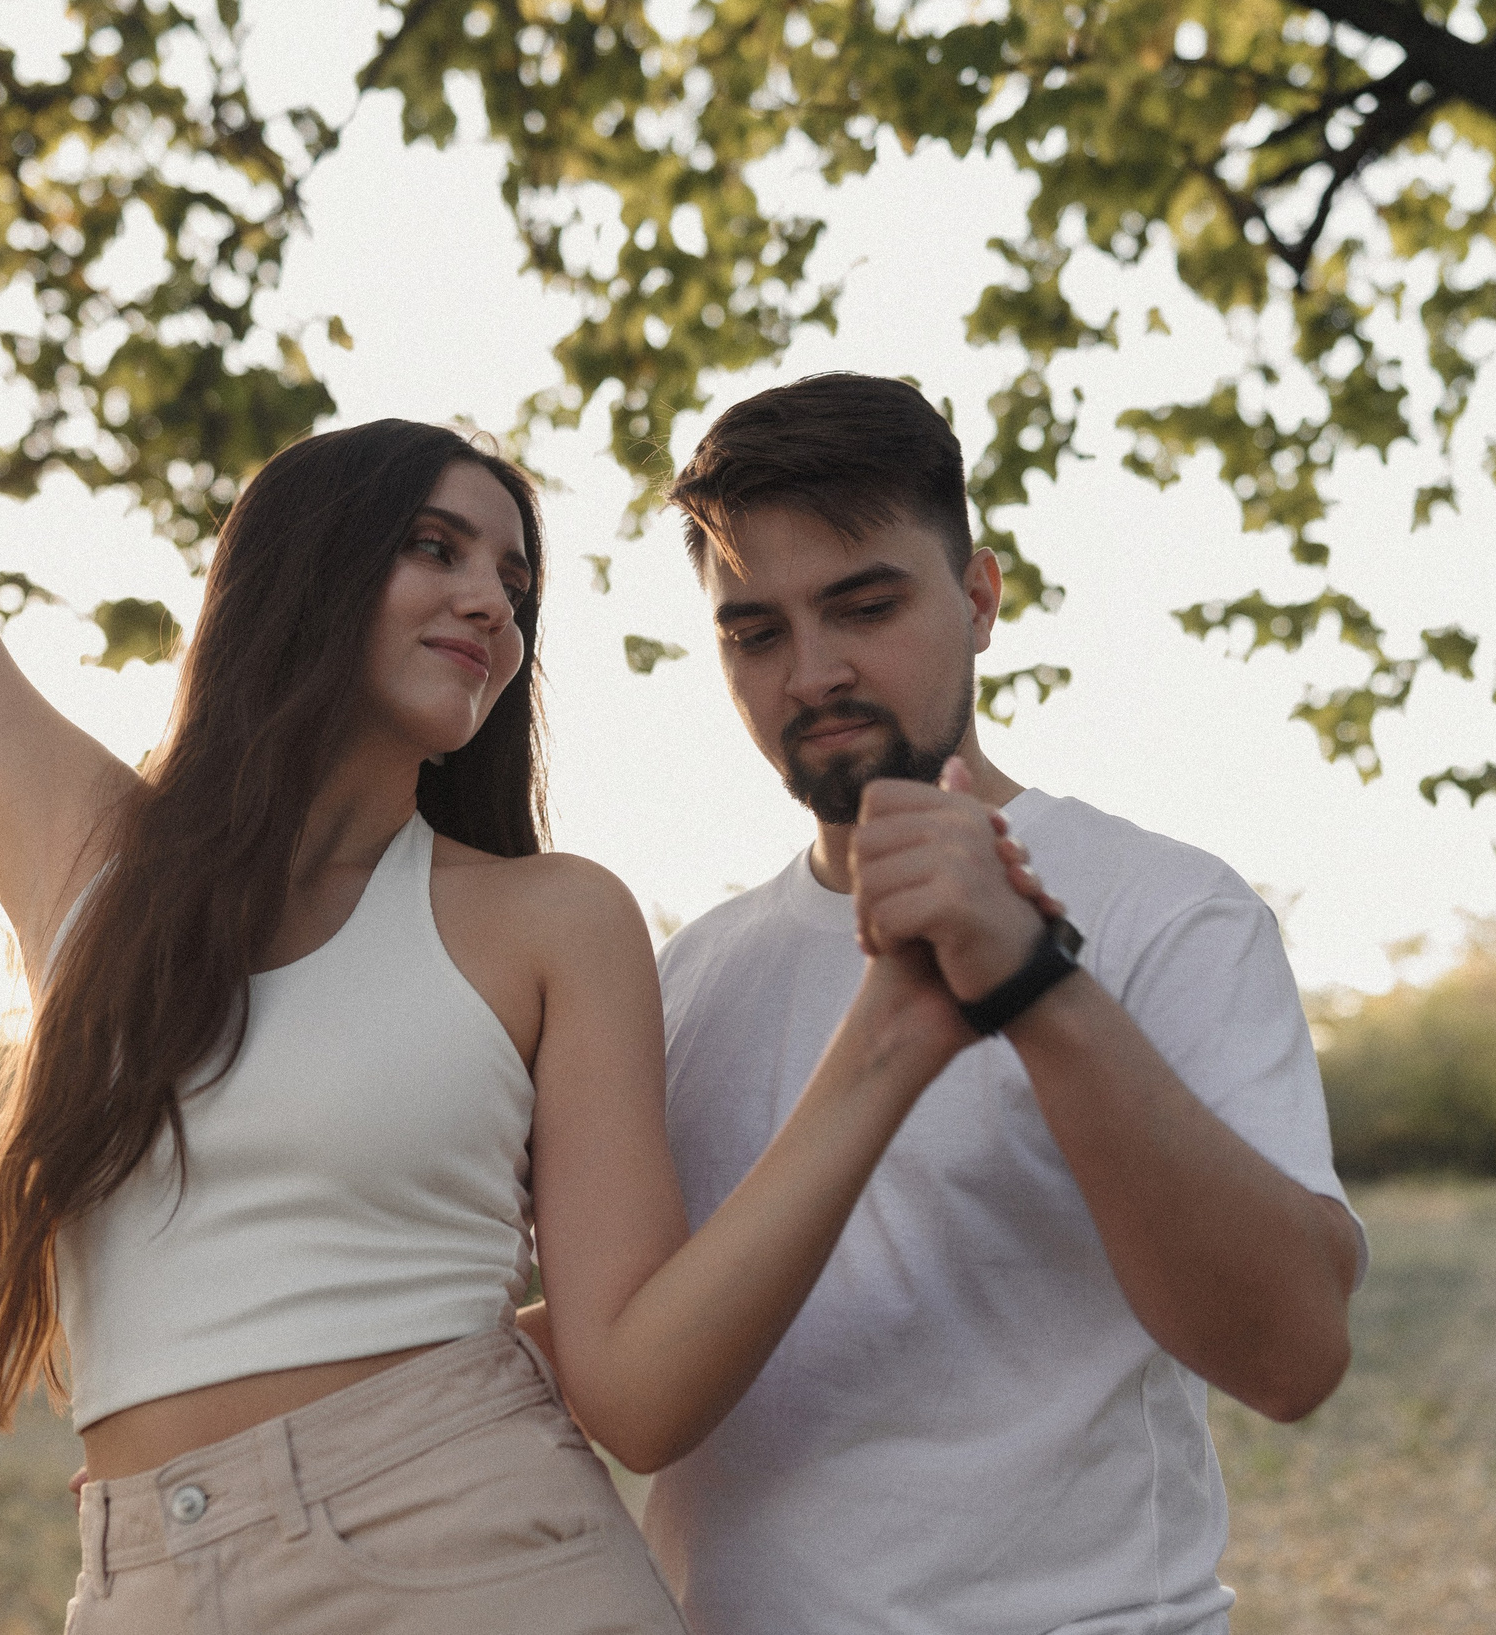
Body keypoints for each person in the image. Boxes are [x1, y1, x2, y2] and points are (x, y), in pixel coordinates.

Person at [0, 12, 1047, 1635]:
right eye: (438, 549)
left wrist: (891, 1040)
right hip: (143, 1580)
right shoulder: (88, 859)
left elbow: (637, 1389)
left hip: (474, 1551)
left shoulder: (548, 919)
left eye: (514, 579)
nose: (488, 601)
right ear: (308, 569)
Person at [533, 373, 1367, 1635]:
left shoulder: (1167, 910)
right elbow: (618, 1352)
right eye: (754, 632)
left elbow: (1291, 1355)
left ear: (979, 599)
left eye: (863, 606)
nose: (811, 672)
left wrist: (1032, 981)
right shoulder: (690, 976)